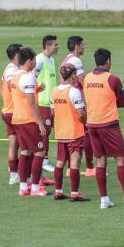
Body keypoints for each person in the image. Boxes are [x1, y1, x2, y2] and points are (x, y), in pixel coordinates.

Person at [84, 48, 124, 209]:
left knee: (100, 160)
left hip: (92, 124)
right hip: (108, 124)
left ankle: (104, 200)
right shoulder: (113, 79)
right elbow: (122, 103)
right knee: (121, 159)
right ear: (108, 61)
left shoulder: (86, 78)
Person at [12, 47, 50, 197]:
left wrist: (36, 90)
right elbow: (32, 103)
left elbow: (20, 94)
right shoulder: (28, 77)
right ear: (29, 62)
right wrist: (40, 122)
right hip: (29, 120)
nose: (35, 62)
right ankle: (35, 188)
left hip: (18, 118)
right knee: (40, 151)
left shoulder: (15, 76)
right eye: (34, 60)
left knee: (25, 151)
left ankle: (23, 187)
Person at [51, 65, 90, 202]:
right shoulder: (74, 92)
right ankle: (74, 193)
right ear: (72, 75)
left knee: (60, 162)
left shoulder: (54, 91)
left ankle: (58, 191)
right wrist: (86, 123)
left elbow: (53, 112)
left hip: (61, 132)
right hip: (74, 132)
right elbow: (81, 113)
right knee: (75, 163)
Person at [61, 35, 95, 177]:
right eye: (82, 45)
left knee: (71, 134)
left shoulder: (66, 59)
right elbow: (83, 81)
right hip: (75, 100)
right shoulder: (75, 60)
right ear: (76, 46)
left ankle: (70, 168)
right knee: (86, 133)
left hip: (65, 99)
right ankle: (89, 167)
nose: (84, 47)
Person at [33, 35, 59, 176]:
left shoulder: (51, 59)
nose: (57, 47)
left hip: (51, 102)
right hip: (42, 103)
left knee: (47, 131)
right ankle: (44, 160)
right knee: (44, 131)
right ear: (48, 46)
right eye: (55, 45)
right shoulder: (39, 59)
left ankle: (43, 159)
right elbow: (31, 76)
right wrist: (37, 88)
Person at [0, 43, 22, 185]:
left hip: (8, 110)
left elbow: (0, 86)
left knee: (14, 143)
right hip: (15, 112)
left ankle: (14, 174)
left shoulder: (10, 68)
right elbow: (9, 85)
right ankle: (24, 175)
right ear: (16, 55)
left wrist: (5, 101)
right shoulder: (12, 70)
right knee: (24, 145)